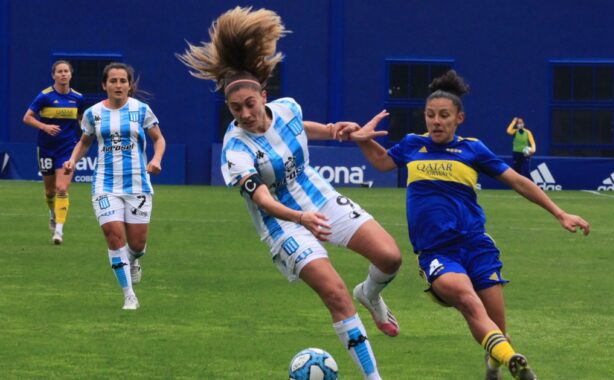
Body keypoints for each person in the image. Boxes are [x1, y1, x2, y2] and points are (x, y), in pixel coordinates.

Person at [177, 7, 402, 380]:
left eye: (250, 104)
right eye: (236, 109)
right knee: (335, 293)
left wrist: (338, 131)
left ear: (263, 95)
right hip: (283, 224)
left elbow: (303, 126)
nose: (246, 114)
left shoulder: (287, 108)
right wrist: (300, 219)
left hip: (320, 197)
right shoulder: (235, 150)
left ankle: (372, 294)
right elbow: (262, 200)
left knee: (390, 257)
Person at [346, 70, 590, 380]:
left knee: (498, 332)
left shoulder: (472, 149)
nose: (436, 121)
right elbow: (382, 162)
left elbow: (517, 181)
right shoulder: (411, 144)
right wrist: (364, 141)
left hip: (476, 247)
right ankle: (517, 363)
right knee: (467, 299)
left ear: (459, 118)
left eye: (444, 116)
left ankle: (496, 364)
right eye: (430, 115)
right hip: (437, 252)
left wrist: (560, 213)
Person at [63, 62, 166, 310]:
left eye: (123, 81)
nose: (118, 85)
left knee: (137, 245)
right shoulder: (93, 114)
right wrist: (72, 160)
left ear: (129, 85)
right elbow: (85, 142)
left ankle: (135, 259)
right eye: (113, 81)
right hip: (105, 184)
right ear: (104, 85)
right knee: (113, 236)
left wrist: (156, 159)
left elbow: (159, 139)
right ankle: (129, 295)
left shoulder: (142, 110)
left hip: (138, 184)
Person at [22, 60, 85, 244]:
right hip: (47, 148)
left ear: (71, 75)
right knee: (50, 192)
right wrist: (45, 126)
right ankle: (52, 214)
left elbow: (81, 119)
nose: (63, 74)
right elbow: (27, 118)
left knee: (62, 188)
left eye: (66, 71)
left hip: (68, 148)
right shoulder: (45, 96)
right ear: (54, 75)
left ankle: (59, 231)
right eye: (60, 71)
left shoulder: (78, 98)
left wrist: (87, 133)